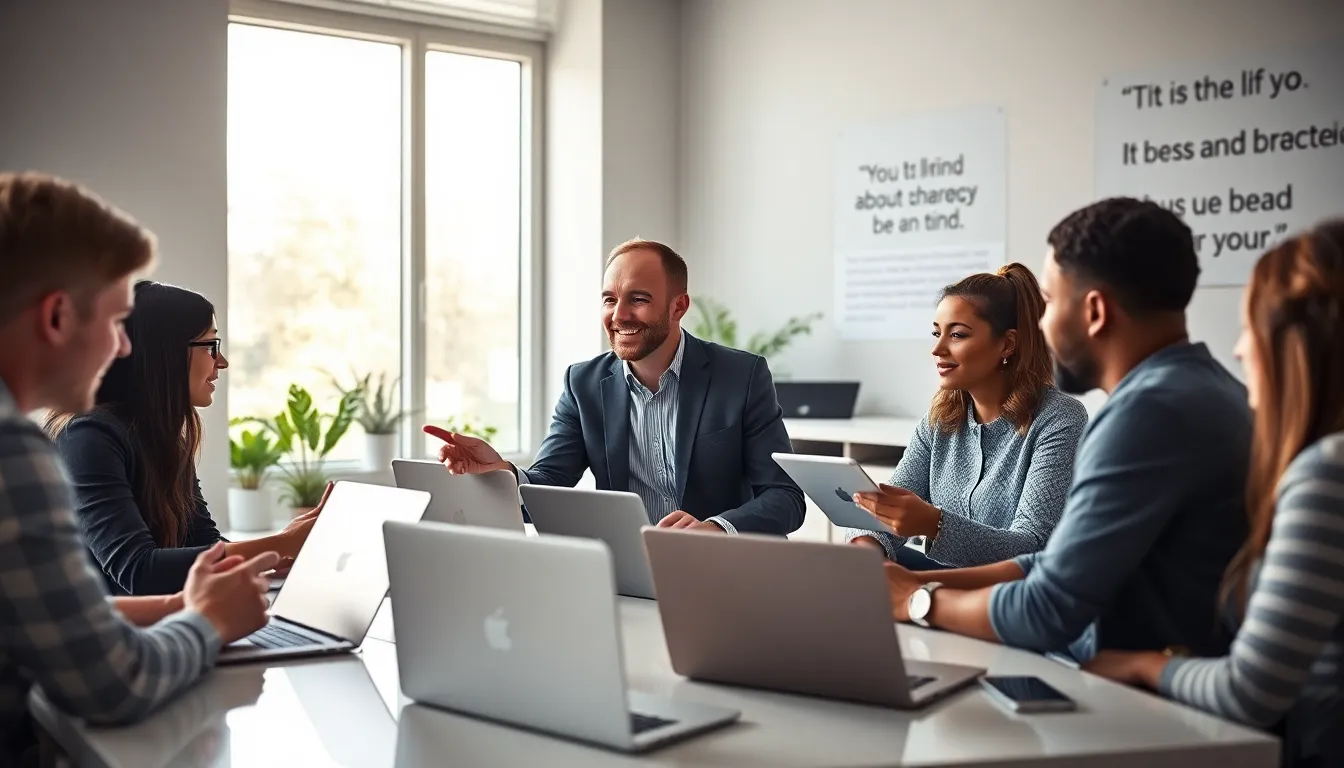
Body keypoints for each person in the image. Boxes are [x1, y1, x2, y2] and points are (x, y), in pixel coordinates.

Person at [881, 197, 1250, 663]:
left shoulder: (1148, 415)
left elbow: (1048, 606)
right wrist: (914, 581)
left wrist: (917, 600)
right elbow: (1054, 566)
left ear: (1095, 312)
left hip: (1150, 695)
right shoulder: (1200, 390)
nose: (1043, 326)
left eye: (1050, 303)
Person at [0, 172, 277, 766]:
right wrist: (205, 623)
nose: (125, 349)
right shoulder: (16, 454)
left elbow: (46, 620)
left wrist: (182, 607)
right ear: (56, 318)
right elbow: (115, 686)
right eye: (115, 322)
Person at [1086, 221, 1344, 768]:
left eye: (1251, 326)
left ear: (1298, 345)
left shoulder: (1328, 474)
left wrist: (1143, 666)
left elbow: (1249, 692)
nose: (1239, 348)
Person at [426, 238, 805, 535]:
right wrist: (500, 473)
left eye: (638, 299)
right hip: (629, 571)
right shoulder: (583, 384)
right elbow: (548, 483)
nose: (619, 315)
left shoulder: (741, 375)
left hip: (722, 568)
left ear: (679, 306)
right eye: (610, 299)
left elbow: (786, 499)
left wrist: (716, 528)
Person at [49, 281, 326, 596]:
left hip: (152, 629)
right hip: (101, 641)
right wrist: (282, 542)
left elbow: (204, 543)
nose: (221, 362)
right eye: (211, 346)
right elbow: (139, 570)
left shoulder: (163, 438)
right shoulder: (87, 437)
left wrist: (273, 557)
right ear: (165, 354)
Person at [845, 263, 1087, 569]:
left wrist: (934, 524)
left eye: (957, 335)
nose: (937, 349)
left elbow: (1033, 548)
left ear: (1007, 344)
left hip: (1013, 594)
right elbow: (889, 507)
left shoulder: (1060, 419)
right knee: (846, 564)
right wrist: (868, 549)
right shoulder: (940, 419)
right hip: (948, 580)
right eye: (937, 333)